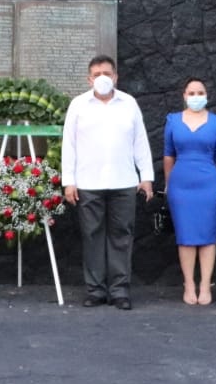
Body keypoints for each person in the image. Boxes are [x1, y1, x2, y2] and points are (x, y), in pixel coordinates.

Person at [61, 55, 155, 311]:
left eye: (107, 73)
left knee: (121, 236)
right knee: (92, 236)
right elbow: (68, 145)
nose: (102, 78)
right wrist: (68, 181)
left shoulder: (129, 103)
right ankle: (95, 290)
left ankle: (120, 290)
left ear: (115, 77)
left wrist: (146, 176)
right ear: (89, 79)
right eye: (97, 74)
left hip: (123, 182)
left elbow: (140, 141)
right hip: (88, 183)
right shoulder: (78, 105)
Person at [162, 77, 216, 306]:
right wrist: (168, 186)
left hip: (208, 184)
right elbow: (168, 156)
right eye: (191, 93)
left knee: (208, 236)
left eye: (200, 92)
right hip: (181, 186)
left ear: (207, 95)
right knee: (186, 237)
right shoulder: (172, 121)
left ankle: (205, 285)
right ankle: (189, 283)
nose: (196, 97)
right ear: (184, 95)